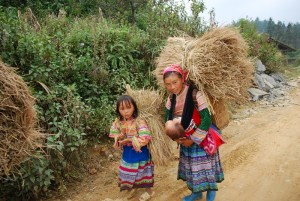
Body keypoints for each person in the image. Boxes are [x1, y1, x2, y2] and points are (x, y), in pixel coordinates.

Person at [163, 64, 224, 201]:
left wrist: (194, 139)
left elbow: (206, 119)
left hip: (201, 140)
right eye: (168, 84)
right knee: (191, 168)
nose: (172, 87)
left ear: (182, 78)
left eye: (175, 82)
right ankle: (196, 193)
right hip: (184, 139)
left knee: (205, 167)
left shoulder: (195, 94)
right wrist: (176, 137)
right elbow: (167, 118)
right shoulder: (171, 98)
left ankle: (211, 194)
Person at [109, 95, 154, 192]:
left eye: (129, 107)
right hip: (128, 152)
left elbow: (145, 138)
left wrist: (130, 140)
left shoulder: (139, 122)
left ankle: (148, 191)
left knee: (142, 171)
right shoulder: (118, 122)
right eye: (122, 109)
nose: (126, 111)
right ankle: (133, 188)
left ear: (134, 107)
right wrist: (118, 137)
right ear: (118, 110)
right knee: (129, 171)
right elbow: (114, 132)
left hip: (140, 152)